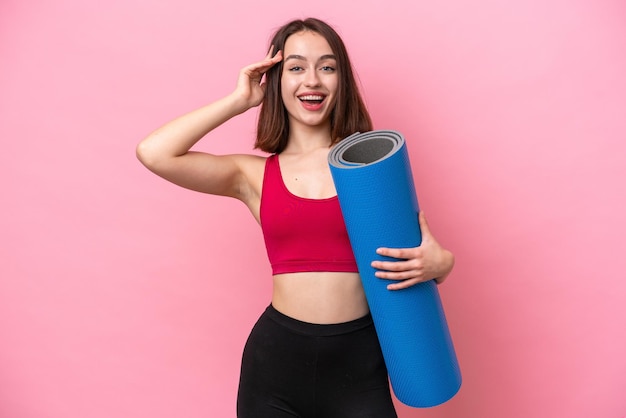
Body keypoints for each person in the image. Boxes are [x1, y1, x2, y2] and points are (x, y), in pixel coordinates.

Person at [137, 17, 454, 418]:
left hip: (360, 364)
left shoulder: (369, 166)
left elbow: (416, 255)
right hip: (276, 366)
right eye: (297, 67)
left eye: (327, 66)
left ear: (341, 81)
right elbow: (154, 152)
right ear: (276, 80)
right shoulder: (251, 175)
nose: (313, 80)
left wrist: (443, 265)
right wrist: (238, 101)